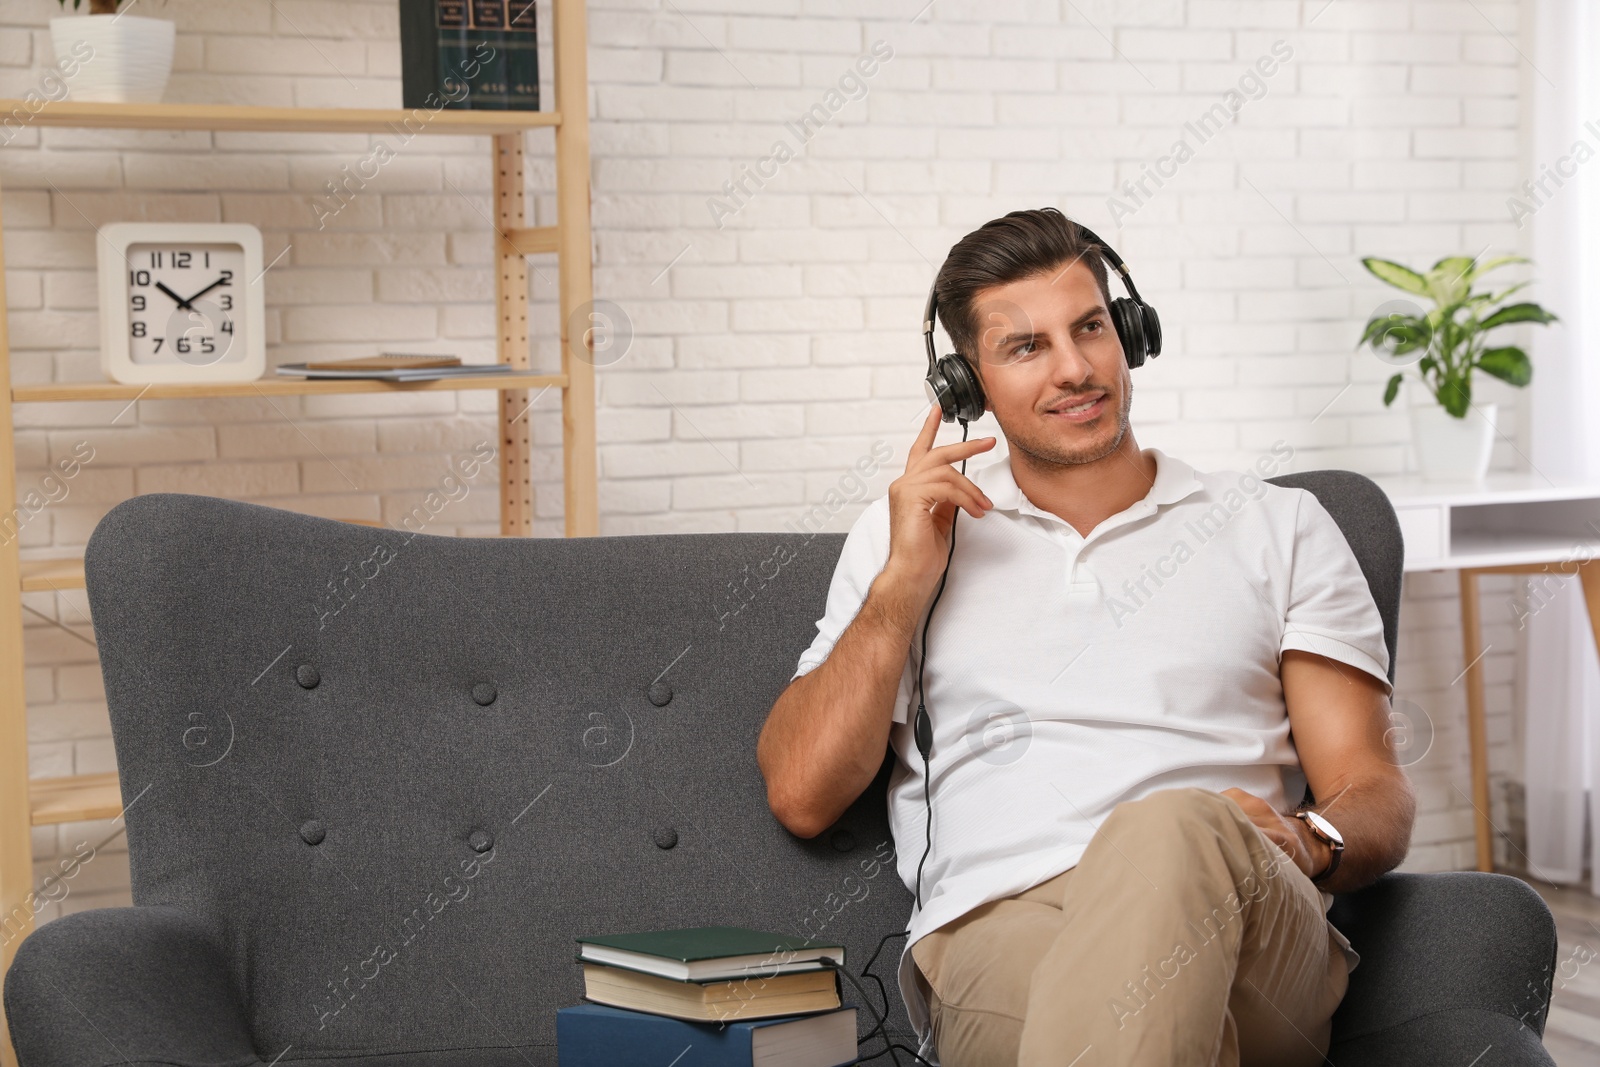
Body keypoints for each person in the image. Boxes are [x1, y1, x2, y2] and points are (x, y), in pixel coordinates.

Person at [755, 207, 1416, 1067]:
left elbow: (1371, 788)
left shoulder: (1277, 525)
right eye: (1027, 347)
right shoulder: (904, 543)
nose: (1075, 369)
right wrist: (901, 588)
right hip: (1000, 926)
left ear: (1129, 333)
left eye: (1092, 328)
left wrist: (1305, 838)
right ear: (966, 385)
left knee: (1166, 829)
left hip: (1246, 918)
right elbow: (803, 793)